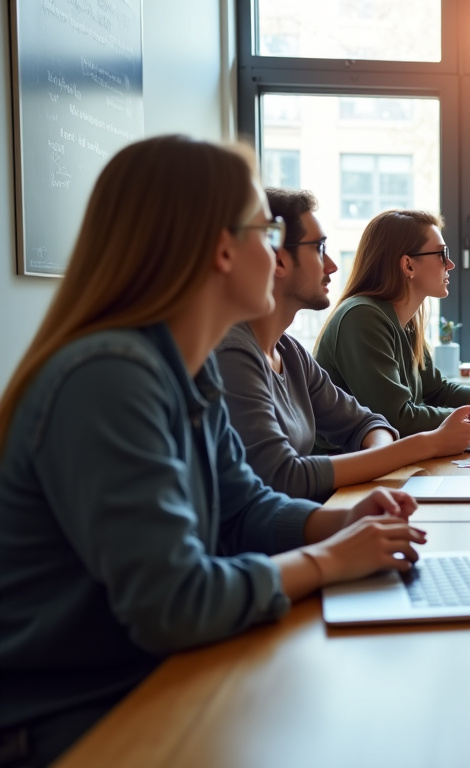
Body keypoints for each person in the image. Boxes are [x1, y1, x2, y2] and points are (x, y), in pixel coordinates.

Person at [0, 135, 428, 767]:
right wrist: (329, 560)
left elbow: (244, 506)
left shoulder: (183, 368)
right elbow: (176, 602)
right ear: (221, 249)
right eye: (265, 230)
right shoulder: (109, 378)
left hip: (154, 676)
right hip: (80, 720)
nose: (278, 252)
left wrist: (339, 521)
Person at [217, 189, 470, 503]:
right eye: (319, 248)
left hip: (323, 509)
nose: (332, 266)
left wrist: (384, 454)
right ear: (278, 259)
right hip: (304, 518)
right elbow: (284, 478)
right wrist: (426, 444)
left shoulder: (290, 353)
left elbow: (368, 422)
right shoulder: (233, 356)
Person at [313, 210, 470, 437]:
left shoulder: (406, 320)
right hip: (347, 466)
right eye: (442, 254)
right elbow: (397, 419)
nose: (450, 264)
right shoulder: (362, 318)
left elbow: (438, 391)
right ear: (408, 265)